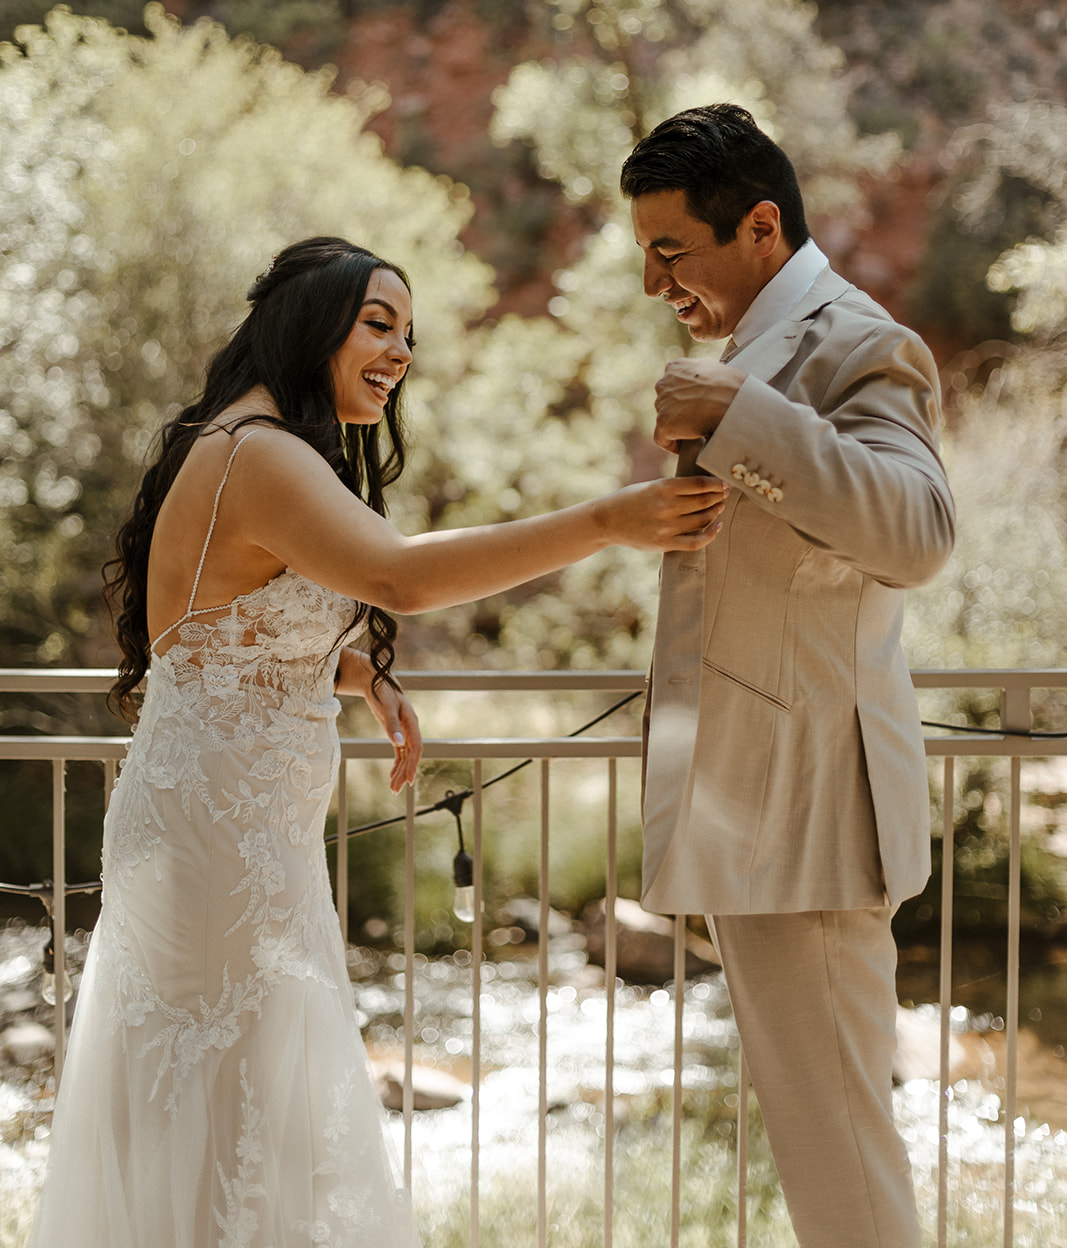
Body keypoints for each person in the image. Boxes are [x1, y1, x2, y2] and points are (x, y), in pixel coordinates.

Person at [30, 236, 725, 1248]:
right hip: (218, 855)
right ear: (309, 321)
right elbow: (395, 576)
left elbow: (225, 623)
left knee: (234, 1123)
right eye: (378, 323)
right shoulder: (259, 452)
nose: (400, 351)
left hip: (236, 845)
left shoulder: (245, 442)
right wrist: (608, 519)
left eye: (409, 334)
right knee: (231, 1122)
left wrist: (356, 671)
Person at [621, 106, 955, 1248]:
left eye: (671, 250)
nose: (656, 281)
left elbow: (915, 530)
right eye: (643, 256)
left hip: (811, 811)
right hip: (759, 808)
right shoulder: (754, 350)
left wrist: (743, 416)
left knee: (843, 1158)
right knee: (828, 1150)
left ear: (758, 226)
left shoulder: (857, 340)